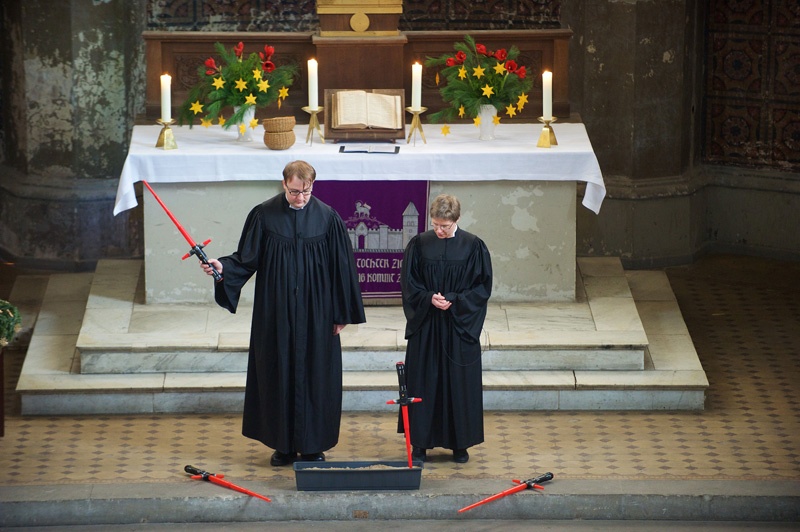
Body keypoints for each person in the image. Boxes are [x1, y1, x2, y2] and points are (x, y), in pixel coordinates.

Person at [200, 160, 366, 467]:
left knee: (316, 374)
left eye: (306, 191)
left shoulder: (328, 218)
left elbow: (342, 268)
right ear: (283, 184)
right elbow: (246, 258)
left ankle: (313, 444)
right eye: (294, 192)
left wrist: (342, 312)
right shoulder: (264, 215)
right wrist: (222, 267)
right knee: (278, 371)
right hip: (275, 309)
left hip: (317, 311)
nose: (300, 198)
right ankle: (283, 445)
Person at [399, 194, 492, 463]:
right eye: (435, 224)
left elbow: (482, 287)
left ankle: (459, 443)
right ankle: (420, 443)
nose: (439, 230)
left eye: (445, 226)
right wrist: (428, 298)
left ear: (458, 220)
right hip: (427, 324)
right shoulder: (418, 244)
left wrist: (456, 299)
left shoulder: (474, 247)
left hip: (457, 326)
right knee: (423, 382)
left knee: (458, 384)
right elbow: (409, 283)